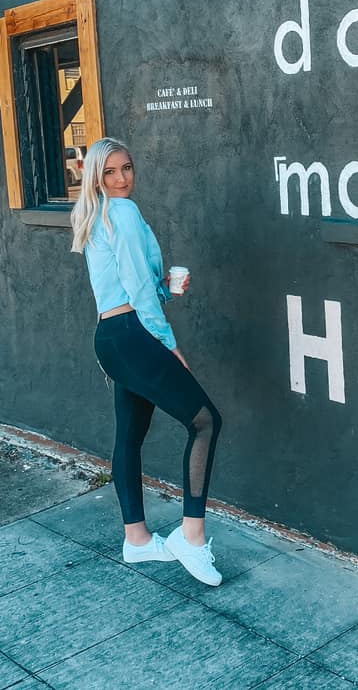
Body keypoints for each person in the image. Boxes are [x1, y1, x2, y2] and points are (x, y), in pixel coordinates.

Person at [70, 137, 223, 586]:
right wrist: (168, 342)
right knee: (206, 421)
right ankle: (190, 537)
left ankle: (136, 540)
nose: (121, 179)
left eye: (127, 168)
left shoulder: (95, 215)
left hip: (111, 336)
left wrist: (166, 287)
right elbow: (137, 289)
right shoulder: (123, 212)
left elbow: (131, 283)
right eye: (111, 172)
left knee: (130, 437)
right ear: (97, 177)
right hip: (135, 334)